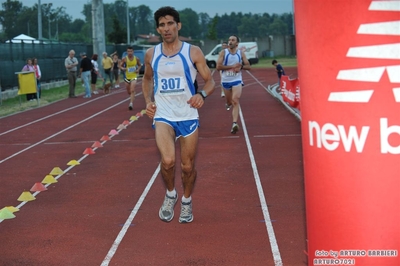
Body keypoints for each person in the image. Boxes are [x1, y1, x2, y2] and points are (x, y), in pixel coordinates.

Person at [142, 6, 215, 224]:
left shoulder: (193, 52)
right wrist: (148, 102)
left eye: (170, 23)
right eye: (162, 25)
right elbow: (146, 79)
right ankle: (171, 194)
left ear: (178, 25)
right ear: (158, 29)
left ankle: (186, 200)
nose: (166, 28)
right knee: (167, 161)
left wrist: (201, 94)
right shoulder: (151, 54)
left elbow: (210, 81)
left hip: (188, 113)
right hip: (163, 114)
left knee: (187, 166)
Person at [217, 35, 251, 134]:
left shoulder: (241, 53)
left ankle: (234, 123)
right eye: (229, 40)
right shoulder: (223, 52)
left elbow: (248, 66)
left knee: (235, 100)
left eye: (233, 40)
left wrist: (240, 68)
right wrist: (232, 66)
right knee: (229, 102)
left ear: (237, 43)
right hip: (226, 80)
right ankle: (227, 104)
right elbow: (218, 67)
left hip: (237, 80)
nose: (230, 42)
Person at [120, 46, 141, 111]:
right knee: (129, 91)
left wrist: (138, 69)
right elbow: (120, 66)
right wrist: (123, 68)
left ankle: (131, 104)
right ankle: (132, 95)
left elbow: (140, 65)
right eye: (128, 51)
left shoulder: (136, 59)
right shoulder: (124, 59)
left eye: (131, 51)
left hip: (133, 76)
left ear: (133, 52)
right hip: (126, 77)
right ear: (127, 52)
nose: (130, 53)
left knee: (132, 90)